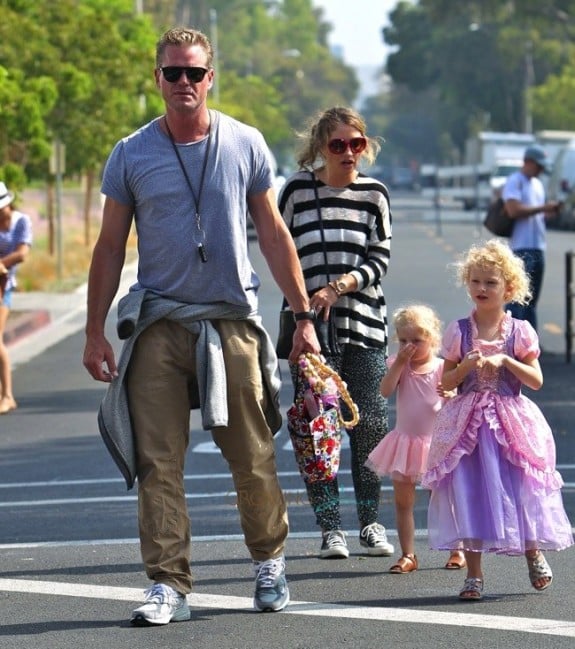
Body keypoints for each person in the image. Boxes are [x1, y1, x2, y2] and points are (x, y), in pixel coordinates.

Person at [82, 27, 321, 625]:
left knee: (252, 453)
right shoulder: (131, 153)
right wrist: (93, 331)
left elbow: (272, 233)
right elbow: (110, 248)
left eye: (194, 72)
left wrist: (304, 317)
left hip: (229, 322)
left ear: (211, 78)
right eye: (173, 73)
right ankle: (168, 585)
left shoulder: (244, 143)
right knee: (158, 462)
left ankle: (269, 561)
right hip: (159, 320)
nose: (183, 83)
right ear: (158, 79)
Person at [422, 239, 573, 601]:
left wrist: (506, 361)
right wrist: (465, 367)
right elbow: (444, 382)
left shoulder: (519, 331)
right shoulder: (459, 330)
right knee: (468, 493)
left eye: (490, 282)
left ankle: (532, 551)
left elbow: (535, 380)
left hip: (510, 422)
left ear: (509, 287)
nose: (481, 289)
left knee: (521, 489)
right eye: (475, 281)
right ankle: (474, 575)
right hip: (467, 426)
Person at [278, 106, 394, 560]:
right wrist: (304, 306)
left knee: (369, 428)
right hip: (308, 333)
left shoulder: (375, 195)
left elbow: (379, 258)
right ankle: (331, 530)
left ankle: (370, 523)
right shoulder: (297, 192)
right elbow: (280, 249)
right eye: (338, 145)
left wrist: (339, 286)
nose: (348, 153)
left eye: (356, 144)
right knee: (317, 428)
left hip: (364, 325)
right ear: (320, 149)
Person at [365, 305, 466, 573]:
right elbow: (385, 391)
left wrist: (452, 395)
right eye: (404, 340)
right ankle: (408, 554)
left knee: (444, 497)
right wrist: (398, 363)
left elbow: (454, 400)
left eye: (417, 341)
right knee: (403, 501)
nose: (409, 346)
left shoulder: (442, 367)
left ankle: (457, 548)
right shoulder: (400, 366)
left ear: (432, 339)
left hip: (435, 444)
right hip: (405, 443)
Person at [502, 144, 561, 332]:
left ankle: (529, 344)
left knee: (531, 299)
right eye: (538, 166)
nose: (541, 170)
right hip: (522, 247)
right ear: (528, 162)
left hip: (537, 246)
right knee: (517, 298)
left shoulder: (537, 185)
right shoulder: (515, 181)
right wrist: (543, 208)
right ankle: (510, 341)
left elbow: (536, 214)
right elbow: (513, 210)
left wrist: (548, 212)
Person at [0, 182, 32, 415]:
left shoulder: (21, 221)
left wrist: (1, 264)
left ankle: (7, 395)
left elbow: (22, 254)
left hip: (3, 285)